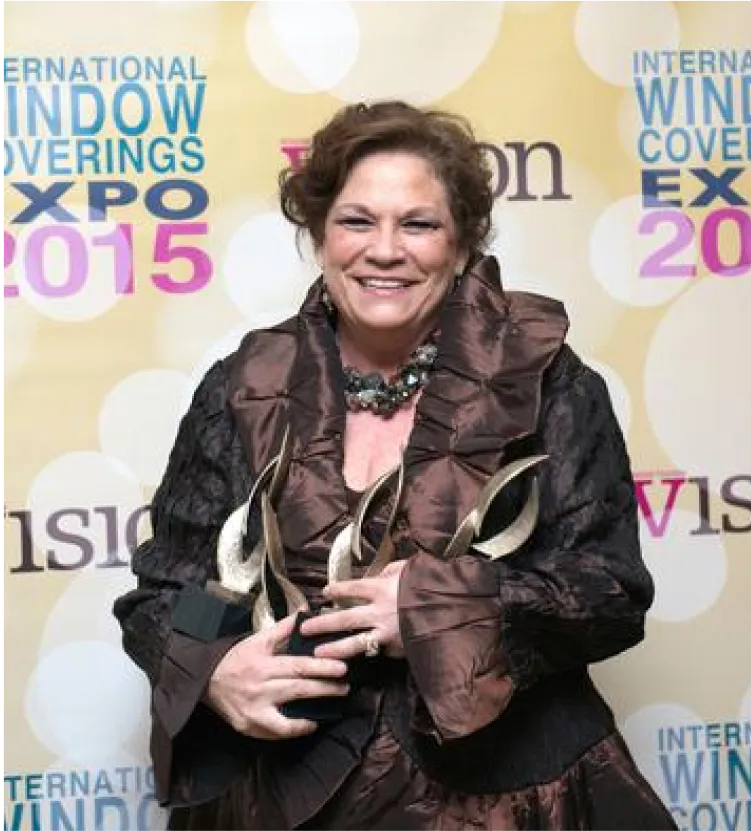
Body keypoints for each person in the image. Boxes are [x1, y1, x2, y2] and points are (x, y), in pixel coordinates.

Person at [114, 100, 678, 830]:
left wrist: (435, 608)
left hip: (504, 797)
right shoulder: (243, 384)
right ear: (319, 236)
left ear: (462, 241)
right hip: (284, 795)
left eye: (418, 223)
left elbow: (608, 590)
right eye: (356, 221)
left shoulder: (546, 381)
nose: (385, 250)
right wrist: (212, 667)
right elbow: (179, 585)